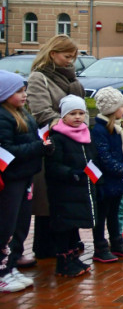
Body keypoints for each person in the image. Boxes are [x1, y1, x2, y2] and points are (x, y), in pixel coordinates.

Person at [25, 35, 86, 263]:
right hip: (52, 144)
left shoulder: (71, 79)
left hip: (73, 144)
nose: (70, 61)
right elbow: (41, 111)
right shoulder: (38, 77)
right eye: (66, 56)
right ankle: (45, 245)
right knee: (48, 198)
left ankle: (70, 240)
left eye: (73, 57)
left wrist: (81, 127)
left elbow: (81, 108)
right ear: (53, 54)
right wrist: (68, 128)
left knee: (68, 193)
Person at [0, 71, 48, 292]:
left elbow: (31, 139)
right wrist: (38, 148)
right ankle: (2, 271)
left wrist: (43, 146)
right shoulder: (4, 117)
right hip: (11, 179)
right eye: (18, 91)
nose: (24, 95)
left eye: (24, 90)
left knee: (21, 224)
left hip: (26, 175)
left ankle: (10, 266)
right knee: (6, 225)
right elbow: (7, 150)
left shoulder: (23, 114)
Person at [46, 95, 96, 277]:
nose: (77, 117)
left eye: (81, 113)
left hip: (80, 188)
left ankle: (73, 257)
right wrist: (71, 173)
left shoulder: (84, 134)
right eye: (72, 113)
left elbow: (91, 157)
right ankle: (63, 261)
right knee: (64, 226)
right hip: (64, 190)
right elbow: (53, 166)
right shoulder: (58, 138)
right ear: (63, 116)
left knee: (74, 225)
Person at [90, 88, 123, 263]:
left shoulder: (119, 127)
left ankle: (116, 242)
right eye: (121, 106)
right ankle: (100, 246)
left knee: (113, 213)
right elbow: (104, 157)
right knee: (101, 214)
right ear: (113, 109)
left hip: (117, 180)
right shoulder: (100, 130)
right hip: (105, 181)